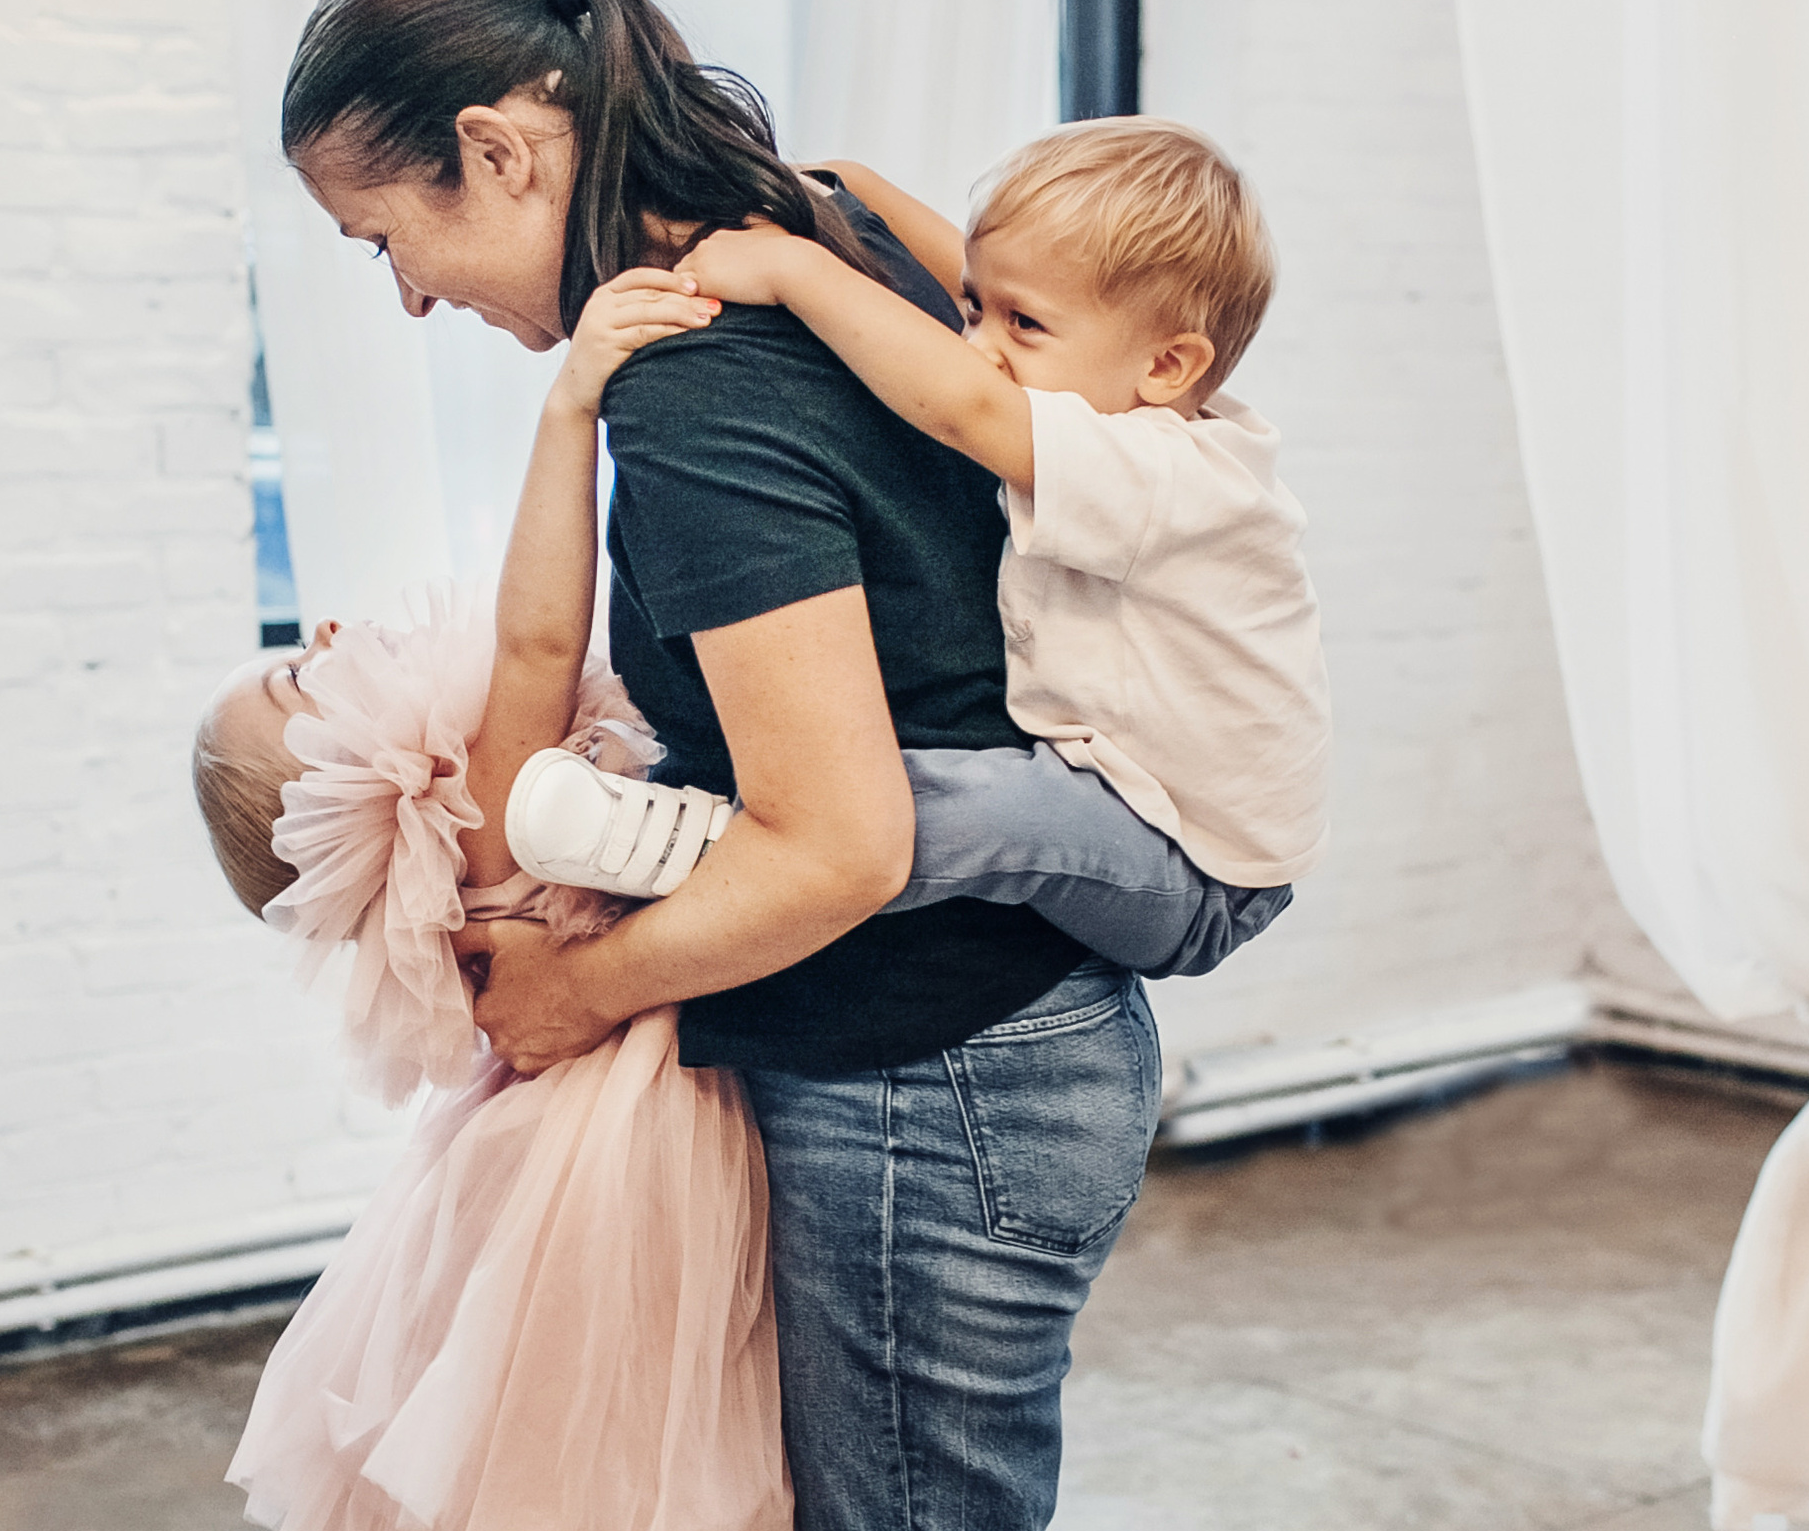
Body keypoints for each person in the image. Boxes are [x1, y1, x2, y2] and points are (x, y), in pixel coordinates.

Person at [279, 0, 1308, 1531]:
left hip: (937, 1081)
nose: (400, 283)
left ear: (504, 148)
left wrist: (584, 991)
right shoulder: (810, 255)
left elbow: (841, 837)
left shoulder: (716, 393)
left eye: (387, 228)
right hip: (960, 1061)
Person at [152, 261, 784, 1531]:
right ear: (363, 793)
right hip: (601, 1212)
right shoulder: (505, 828)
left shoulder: (545, 786)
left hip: (677, 1169)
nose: (331, 635)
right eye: (299, 677)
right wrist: (570, 410)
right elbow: (528, 634)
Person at [522, 116, 1330, 947]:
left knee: (958, 810)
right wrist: (842, 186)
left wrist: (793, 269)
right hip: (1125, 799)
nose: (978, 346)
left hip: (1198, 868)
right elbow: (984, 273)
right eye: (975, 309)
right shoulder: (1117, 382)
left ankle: (706, 853)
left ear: (1168, 367)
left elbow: (963, 406)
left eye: (1022, 327)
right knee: (973, 793)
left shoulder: (1167, 473)